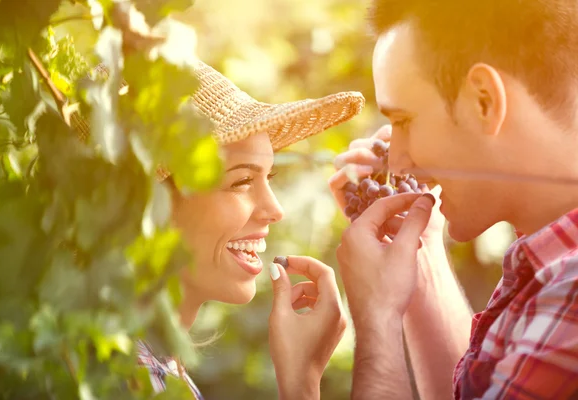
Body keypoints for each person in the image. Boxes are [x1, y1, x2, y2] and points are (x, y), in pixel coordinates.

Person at [324, 1, 578, 399]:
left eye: (404, 121)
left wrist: (377, 319)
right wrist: (416, 253)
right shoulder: (546, 266)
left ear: (484, 101)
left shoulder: (571, 298)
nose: (397, 159)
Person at [83, 61, 364, 398]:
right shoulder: (128, 380)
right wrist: (302, 386)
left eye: (268, 177)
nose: (275, 210)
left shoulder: (153, 366)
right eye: (242, 181)